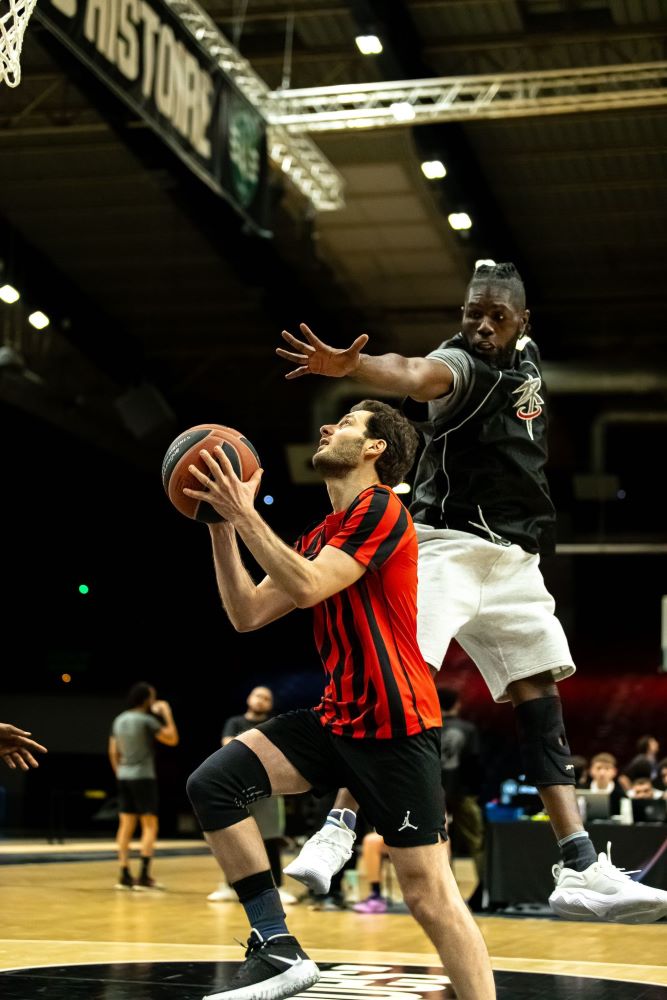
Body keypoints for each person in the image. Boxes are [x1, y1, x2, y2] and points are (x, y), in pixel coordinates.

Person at [276, 261, 667, 924]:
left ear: (521, 323)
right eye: (471, 314)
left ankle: (578, 867)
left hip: (514, 562)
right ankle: (335, 830)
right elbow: (412, 372)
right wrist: (357, 371)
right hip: (446, 549)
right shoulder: (462, 363)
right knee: (398, 682)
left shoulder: (525, 356)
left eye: (495, 316)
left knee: (540, 698)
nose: (481, 326)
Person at [184, 400, 496, 1000]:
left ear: (376, 449)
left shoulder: (382, 508)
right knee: (214, 784)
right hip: (338, 718)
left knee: (430, 897)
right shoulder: (322, 533)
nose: (329, 427)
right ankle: (277, 946)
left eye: (348, 423)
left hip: (396, 725)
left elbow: (307, 587)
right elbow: (248, 613)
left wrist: (245, 513)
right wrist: (221, 528)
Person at [207, 686, 297, 906]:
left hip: (269, 788)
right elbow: (228, 746)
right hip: (237, 787)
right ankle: (230, 886)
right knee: (234, 838)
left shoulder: (274, 723)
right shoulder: (234, 722)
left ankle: (279, 887)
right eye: (258, 696)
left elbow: (279, 751)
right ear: (249, 698)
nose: (261, 701)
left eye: (266, 698)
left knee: (271, 839)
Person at [108, 682, 179, 891]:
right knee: (149, 825)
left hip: (124, 776)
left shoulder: (119, 720)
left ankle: (124, 874)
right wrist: (166, 713)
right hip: (144, 777)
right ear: (147, 699)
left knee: (125, 825)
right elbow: (172, 739)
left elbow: (113, 751)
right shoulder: (147, 721)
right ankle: (144, 876)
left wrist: (119, 772)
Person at [438, 688, 485, 909]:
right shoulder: (468, 729)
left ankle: (443, 894)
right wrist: (473, 791)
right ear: (457, 704)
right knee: (476, 842)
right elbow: (474, 764)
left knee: (437, 843)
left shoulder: (429, 728)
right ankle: (483, 890)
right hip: (464, 793)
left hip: (434, 794)